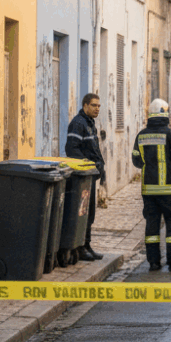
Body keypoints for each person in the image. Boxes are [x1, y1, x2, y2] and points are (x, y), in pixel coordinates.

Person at [132, 98, 171, 272]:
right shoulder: (170, 134)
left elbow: (136, 161)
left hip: (149, 191)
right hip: (168, 191)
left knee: (152, 228)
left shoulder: (141, 135)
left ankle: (154, 263)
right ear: (165, 114)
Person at [65, 93, 105, 262]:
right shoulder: (78, 123)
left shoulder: (89, 124)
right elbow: (72, 150)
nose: (97, 109)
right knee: (83, 213)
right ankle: (80, 248)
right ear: (85, 106)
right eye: (94, 105)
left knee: (89, 214)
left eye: (98, 106)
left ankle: (87, 246)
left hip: (90, 177)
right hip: (83, 177)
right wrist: (88, 165)